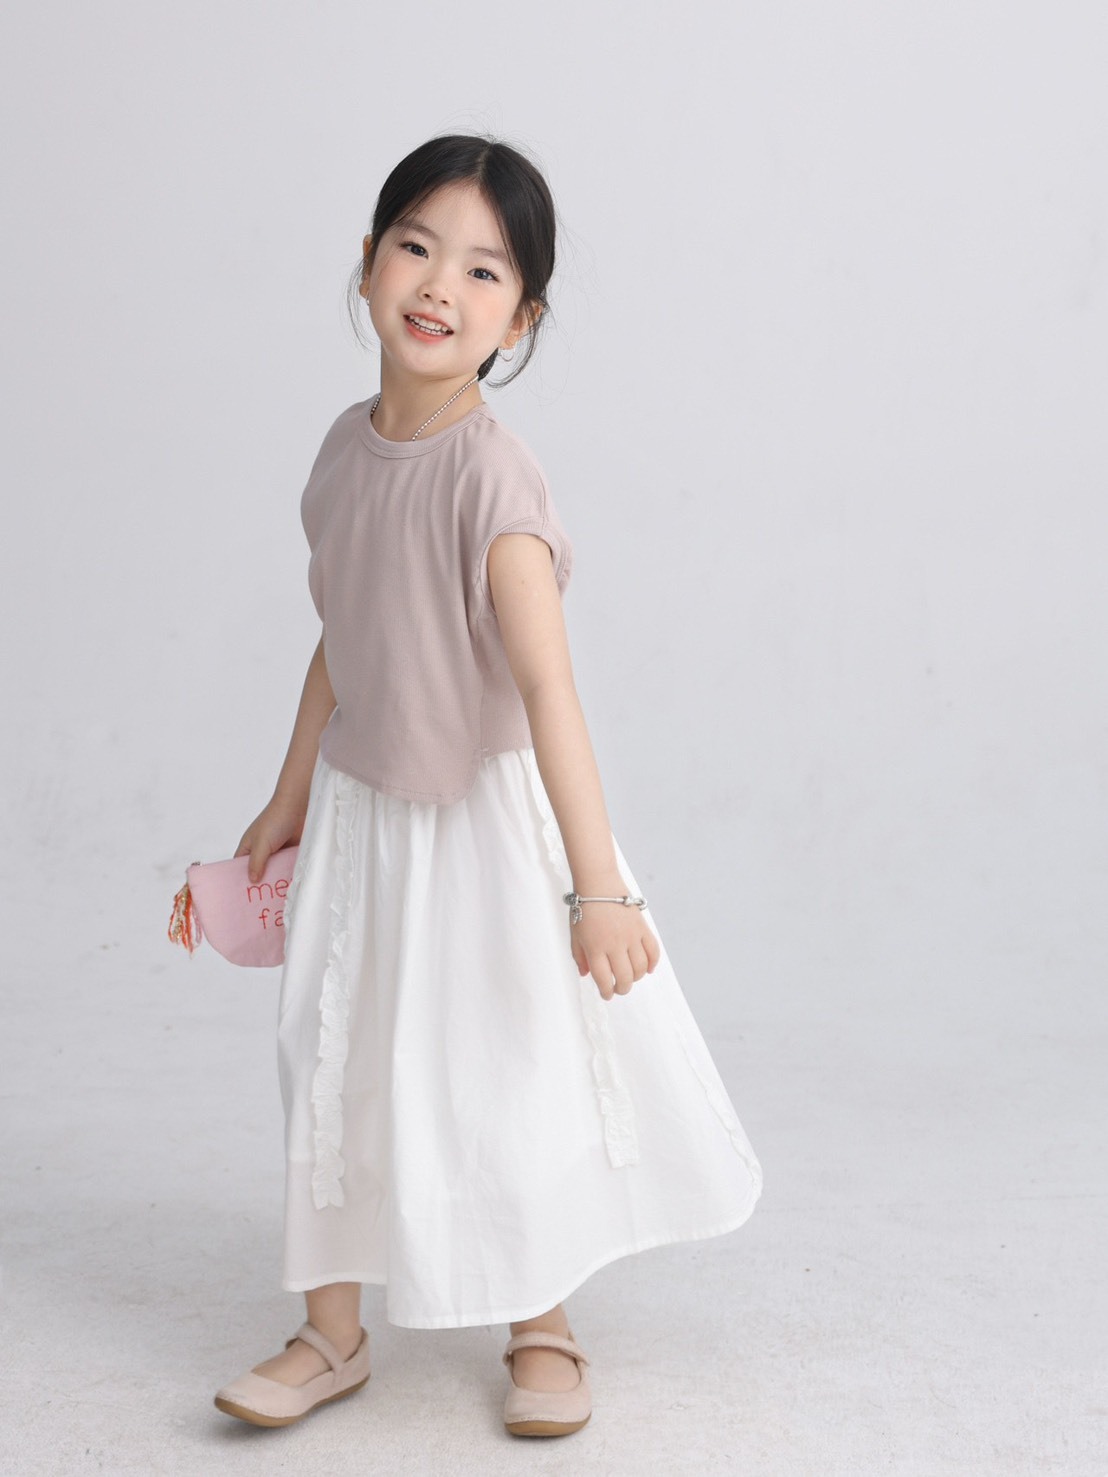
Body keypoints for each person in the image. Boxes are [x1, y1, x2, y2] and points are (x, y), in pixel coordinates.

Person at [212, 133, 762, 1439]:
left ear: (521, 319)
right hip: (364, 815)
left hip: (480, 822)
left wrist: (598, 890)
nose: (438, 285)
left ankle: (542, 1322)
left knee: (505, 1065)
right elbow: (343, 638)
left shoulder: (495, 482)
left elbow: (551, 689)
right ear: (367, 263)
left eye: (482, 268)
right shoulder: (342, 452)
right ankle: (330, 1331)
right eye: (416, 247)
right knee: (331, 1056)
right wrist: (289, 796)